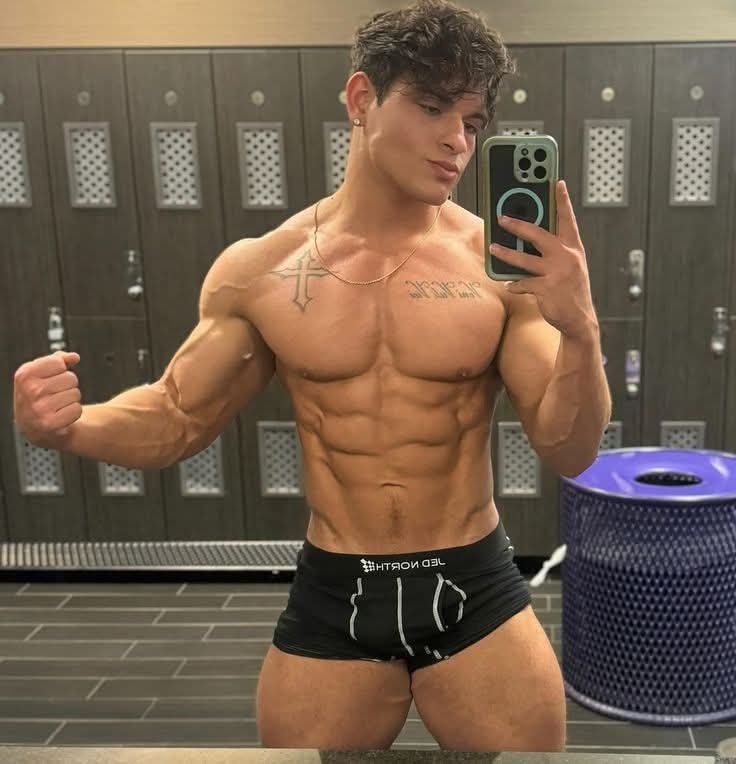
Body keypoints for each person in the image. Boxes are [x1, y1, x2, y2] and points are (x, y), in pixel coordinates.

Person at [12, 0, 612, 752]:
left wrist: (581, 329)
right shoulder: (261, 269)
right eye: (432, 107)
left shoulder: (499, 270)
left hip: (473, 584)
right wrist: (68, 427)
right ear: (361, 99)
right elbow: (176, 417)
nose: (456, 141)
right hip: (337, 588)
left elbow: (569, 449)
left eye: (471, 120)